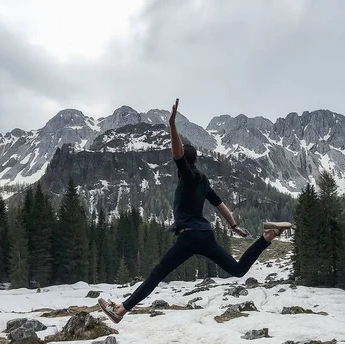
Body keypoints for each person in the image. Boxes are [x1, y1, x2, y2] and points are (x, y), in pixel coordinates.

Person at [99, 99, 291, 323]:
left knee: (157, 274)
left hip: (189, 237)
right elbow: (220, 205)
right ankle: (267, 237)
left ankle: (120, 311)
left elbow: (178, 155)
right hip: (205, 236)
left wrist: (172, 125)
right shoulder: (203, 181)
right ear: (197, 159)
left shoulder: (188, 176)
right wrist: (234, 226)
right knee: (237, 270)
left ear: (186, 162)